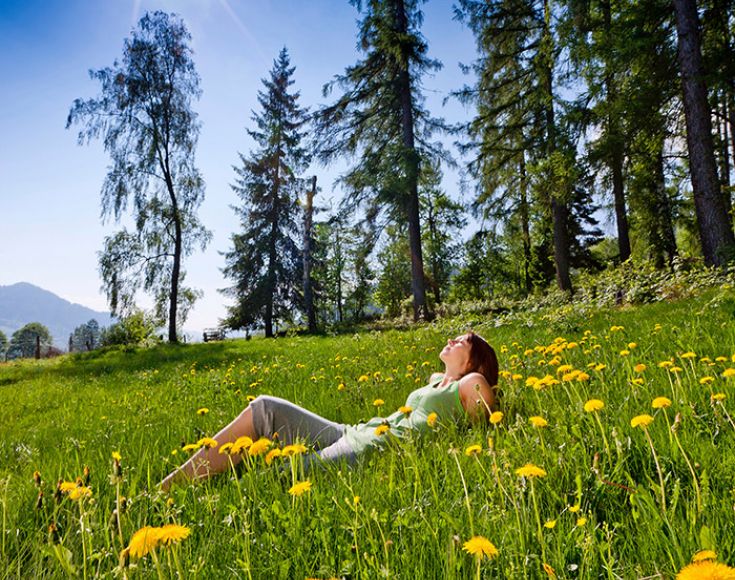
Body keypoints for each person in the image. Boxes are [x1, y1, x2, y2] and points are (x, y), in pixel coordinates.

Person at [160, 331, 499, 491]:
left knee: (284, 476)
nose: (451, 341)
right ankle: (171, 485)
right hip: (353, 430)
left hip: (377, 447)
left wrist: (478, 378)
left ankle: (219, 492)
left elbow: (489, 412)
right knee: (265, 407)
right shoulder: (436, 381)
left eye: (461, 343)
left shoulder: (470, 385)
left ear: (473, 362)